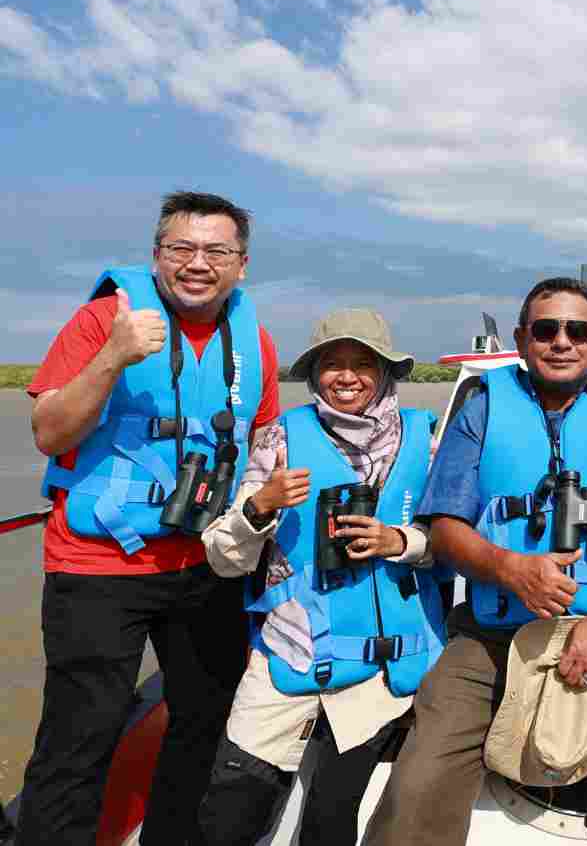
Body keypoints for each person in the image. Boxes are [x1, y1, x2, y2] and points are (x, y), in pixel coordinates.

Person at [364, 278, 587, 846]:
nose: (561, 342)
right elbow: (445, 529)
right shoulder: (481, 411)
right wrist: (511, 570)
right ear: (522, 340)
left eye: (577, 331)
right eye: (546, 330)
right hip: (494, 632)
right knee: (415, 790)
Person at [20, 191, 280, 845]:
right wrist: (113, 356)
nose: (198, 263)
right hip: (98, 563)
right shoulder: (104, 319)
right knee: (81, 734)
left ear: (241, 265)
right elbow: (49, 434)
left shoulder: (256, 343)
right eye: (181, 248)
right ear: (156, 256)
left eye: (216, 250)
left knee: (204, 722)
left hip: (205, 566)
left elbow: (266, 449)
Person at [192, 309, 447, 845]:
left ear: (386, 372)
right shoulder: (278, 440)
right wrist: (259, 507)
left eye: (363, 364)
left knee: (331, 819)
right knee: (227, 814)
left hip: (380, 672)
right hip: (290, 652)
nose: (347, 377)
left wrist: (399, 541)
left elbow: (455, 543)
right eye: (333, 364)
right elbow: (223, 558)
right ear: (313, 374)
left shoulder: (428, 441)